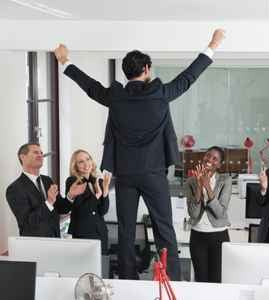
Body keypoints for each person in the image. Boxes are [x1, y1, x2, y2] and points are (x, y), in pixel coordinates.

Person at [54, 29, 225, 280]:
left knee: (125, 229)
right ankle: (171, 280)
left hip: (125, 174)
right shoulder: (160, 94)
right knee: (164, 229)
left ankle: (127, 280)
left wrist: (64, 61)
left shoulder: (115, 97)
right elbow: (189, 77)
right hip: (153, 173)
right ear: (146, 69)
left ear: (126, 73)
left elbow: (90, 87)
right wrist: (212, 45)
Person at [6, 143, 86, 237]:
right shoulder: (14, 189)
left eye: (41, 153)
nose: (40, 155)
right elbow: (28, 223)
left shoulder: (47, 180)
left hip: (54, 239)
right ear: (23, 157)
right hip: (35, 244)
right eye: (36, 152)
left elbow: (62, 209)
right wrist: (49, 202)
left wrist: (71, 195)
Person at [186, 146, 232, 283]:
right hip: (197, 236)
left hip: (218, 236)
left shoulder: (225, 180)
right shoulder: (191, 182)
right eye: (208, 156)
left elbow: (220, 213)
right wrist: (200, 186)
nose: (209, 160)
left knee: (217, 280)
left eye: (215, 158)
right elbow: (193, 214)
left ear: (219, 164)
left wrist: (207, 186)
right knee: (201, 280)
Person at [66, 149, 111, 254]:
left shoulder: (98, 181)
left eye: (88, 159)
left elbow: (103, 211)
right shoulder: (72, 181)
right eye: (81, 162)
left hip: (100, 232)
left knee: (101, 268)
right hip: (83, 233)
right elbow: (82, 210)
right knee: (84, 269)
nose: (86, 163)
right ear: (75, 165)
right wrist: (97, 195)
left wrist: (105, 190)